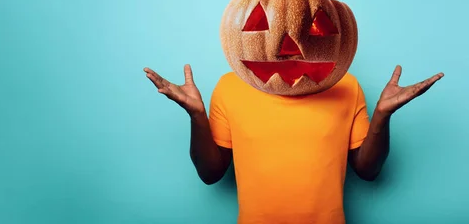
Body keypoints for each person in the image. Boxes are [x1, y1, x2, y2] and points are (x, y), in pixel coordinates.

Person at [143, 64, 443, 223]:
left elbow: (368, 171)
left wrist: (382, 115)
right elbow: (211, 174)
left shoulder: (346, 85)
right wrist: (196, 115)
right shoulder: (230, 86)